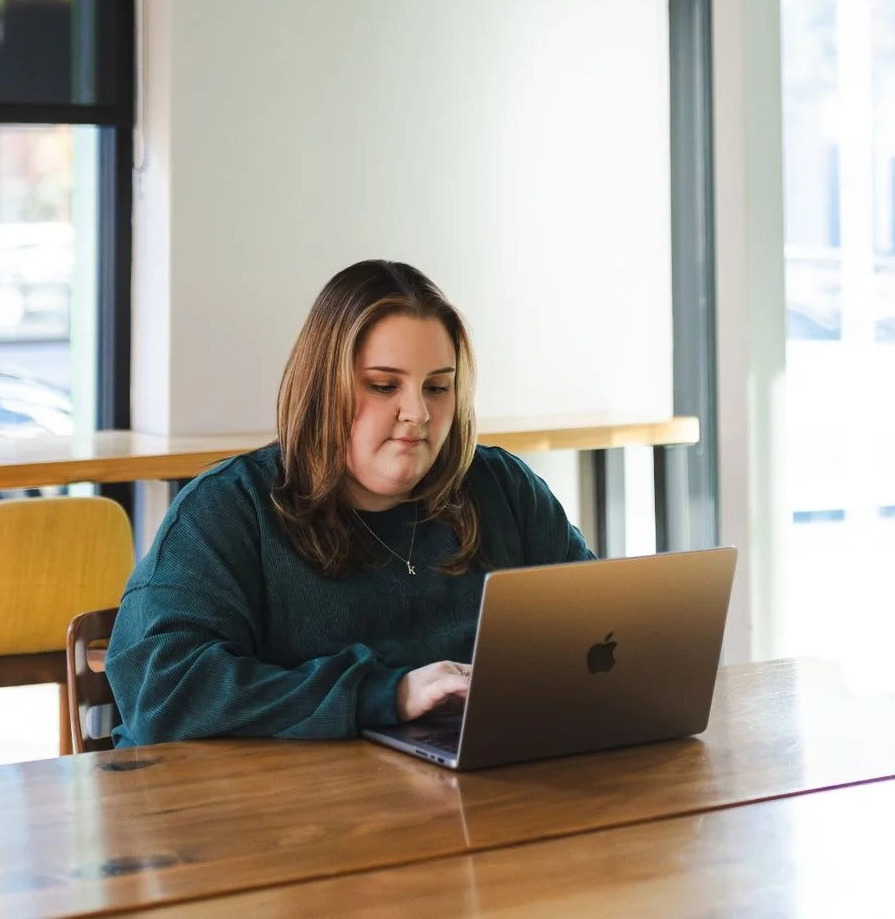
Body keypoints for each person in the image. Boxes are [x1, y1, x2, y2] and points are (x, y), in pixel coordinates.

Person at [103, 259, 593, 743]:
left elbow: (600, 634)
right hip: (284, 811)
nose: (418, 413)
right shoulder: (229, 509)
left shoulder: (503, 489)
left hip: (475, 794)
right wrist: (387, 695)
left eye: (438, 387)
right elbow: (162, 691)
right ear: (323, 389)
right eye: (384, 386)